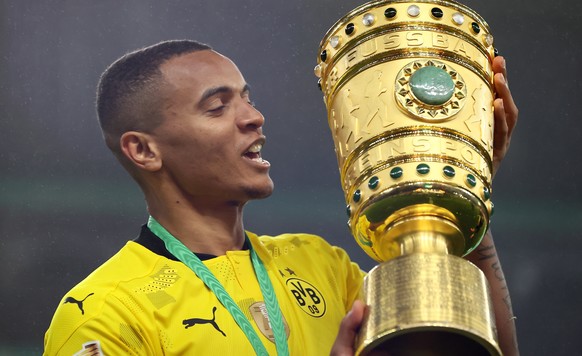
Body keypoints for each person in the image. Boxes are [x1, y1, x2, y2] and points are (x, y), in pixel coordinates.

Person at [43, 40, 518, 355]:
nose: (253, 117)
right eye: (217, 107)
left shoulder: (320, 265)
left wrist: (462, 185)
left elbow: (477, 343)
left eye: (247, 98)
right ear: (144, 150)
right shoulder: (104, 310)